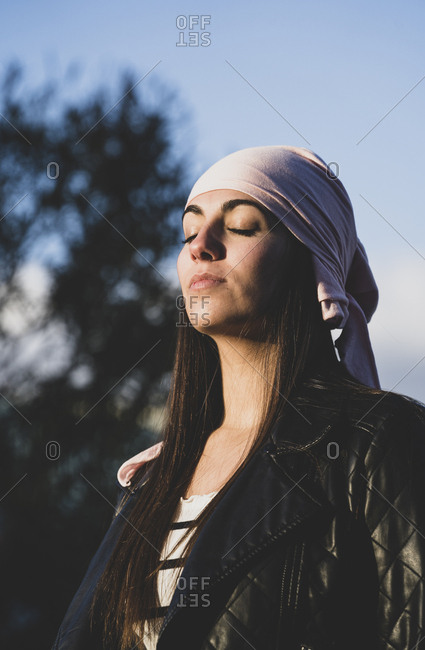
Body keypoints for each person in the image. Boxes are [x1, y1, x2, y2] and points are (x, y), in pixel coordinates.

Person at [52, 146, 425, 650]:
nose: (201, 246)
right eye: (189, 231)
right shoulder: (149, 481)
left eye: (243, 225)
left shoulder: (383, 441)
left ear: (311, 261)